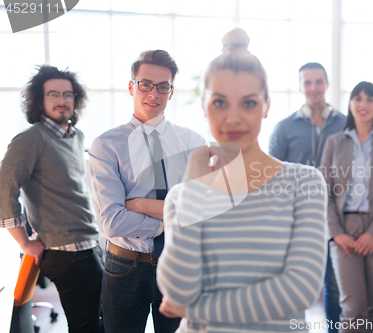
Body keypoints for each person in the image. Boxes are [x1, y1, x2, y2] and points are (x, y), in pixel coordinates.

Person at [156, 28, 328, 332]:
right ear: (204, 106)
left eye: (248, 103)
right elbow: (178, 291)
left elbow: (299, 290)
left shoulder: (304, 183)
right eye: (220, 103)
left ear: (266, 106)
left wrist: (195, 310)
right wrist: (194, 192)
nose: (233, 118)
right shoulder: (185, 196)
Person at [89, 50, 205, 333]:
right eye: (145, 84)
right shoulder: (106, 145)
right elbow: (112, 222)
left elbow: (203, 211)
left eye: (163, 86)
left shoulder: (194, 143)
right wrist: (175, 215)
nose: (154, 93)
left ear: (171, 91)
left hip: (179, 264)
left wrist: (139, 205)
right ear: (132, 87)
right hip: (126, 267)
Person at [0, 65, 104, 333]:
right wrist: (24, 241)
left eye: (68, 95)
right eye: (54, 94)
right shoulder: (30, 140)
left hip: (89, 244)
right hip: (65, 252)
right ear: (39, 100)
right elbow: (4, 189)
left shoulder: (75, 136)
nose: (62, 100)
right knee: (88, 326)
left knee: (100, 320)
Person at [320, 81, 373, 333]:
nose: (363, 104)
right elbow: (323, 189)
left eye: (369, 99)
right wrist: (336, 232)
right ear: (349, 104)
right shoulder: (334, 142)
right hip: (343, 227)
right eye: (357, 98)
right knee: (352, 309)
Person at [269, 62, 346, 331]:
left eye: (318, 81)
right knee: (296, 284)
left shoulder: (345, 124)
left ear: (326, 84)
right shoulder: (284, 127)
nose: (313, 88)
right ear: (301, 86)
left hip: (337, 219)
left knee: (335, 285)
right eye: (308, 82)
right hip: (298, 220)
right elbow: (272, 177)